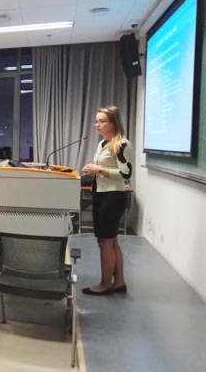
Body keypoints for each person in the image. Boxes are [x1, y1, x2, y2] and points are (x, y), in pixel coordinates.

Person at [82, 105, 132, 296]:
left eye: (102, 121)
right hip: (101, 194)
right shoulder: (103, 143)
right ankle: (119, 283)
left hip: (112, 197)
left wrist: (99, 170)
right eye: (96, 121)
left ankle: (105, 284)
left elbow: (126, 173)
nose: (97, 124)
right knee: (111, 241)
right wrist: (94, 170)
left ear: (114, 123)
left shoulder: (122, 144)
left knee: (105, 241)